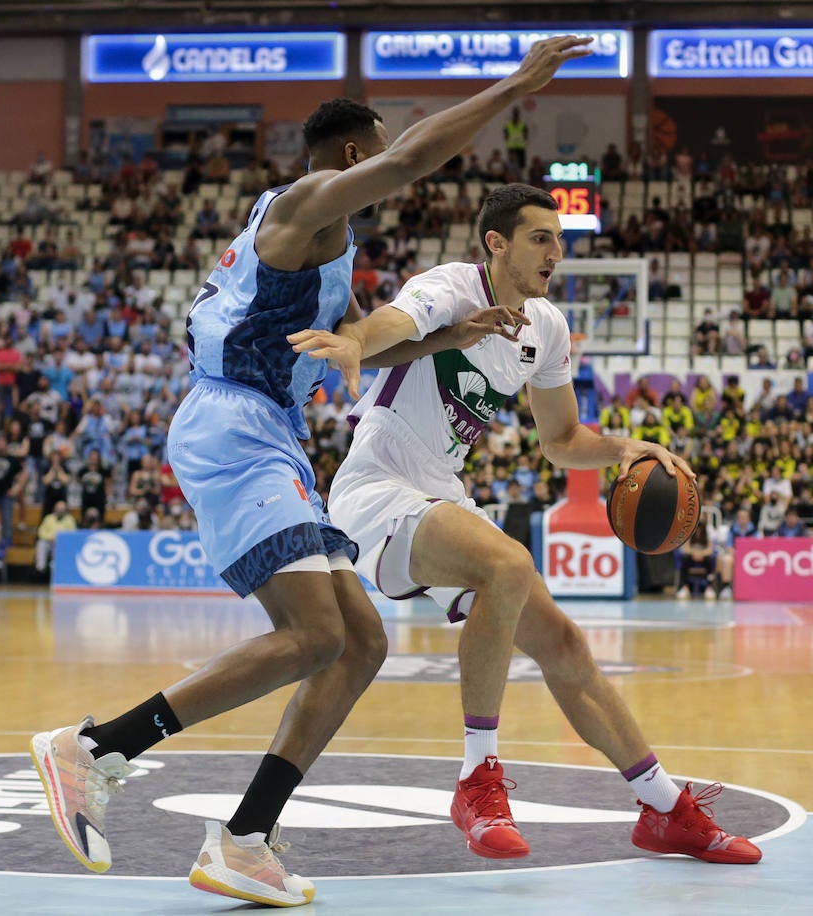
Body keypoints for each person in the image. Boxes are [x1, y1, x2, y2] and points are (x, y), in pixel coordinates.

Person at [30, 37, 596, 908]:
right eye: (382, 146)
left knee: (359, 641)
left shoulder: (325, 249)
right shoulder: (305, 206)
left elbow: (377, 332)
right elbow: (415, 156)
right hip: (232, 425)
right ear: (354, 155)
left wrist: (454, 334)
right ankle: (96, 748)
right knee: (311, 635)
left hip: (271, 434)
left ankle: (246, 837)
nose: (393, 159)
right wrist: (517, 86)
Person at [291, 183, 762, 866]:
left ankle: (665, 809)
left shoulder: (546, 328)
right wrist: (355, 341)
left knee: (565, 643)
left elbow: (563, 438)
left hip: (441, 496)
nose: (555, 253)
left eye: (560, 240)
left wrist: (626, 449)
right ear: (497, 243)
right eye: (541, 238)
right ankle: (476, 780)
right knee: (507, 565)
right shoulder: (451, 288)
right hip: (376, 491)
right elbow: (394, 322)